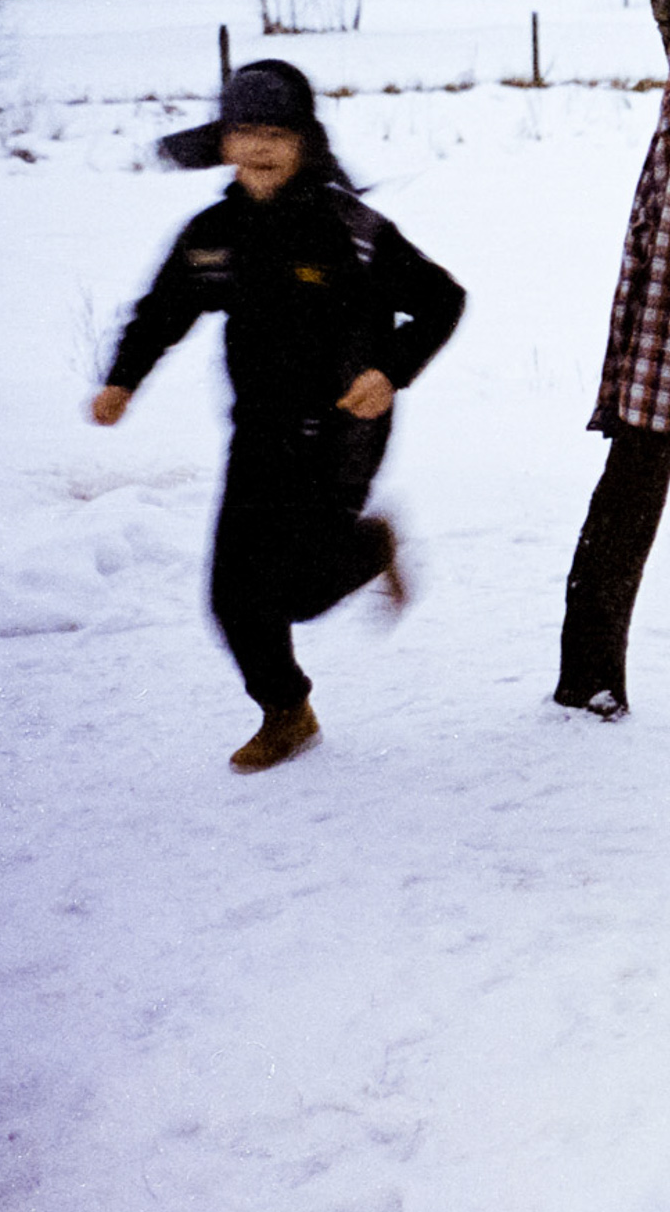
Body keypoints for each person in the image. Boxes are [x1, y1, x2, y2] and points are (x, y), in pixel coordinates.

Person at [92, 60, 466, 773]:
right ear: (224, 140)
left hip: (343, 431)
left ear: (304, 142)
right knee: (232, 598)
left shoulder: (349, 229)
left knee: (296, 590)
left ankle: (371, 545)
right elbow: (163, 311)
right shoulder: (213, 233)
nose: (260, 146)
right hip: (259, 433)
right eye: (246, 131)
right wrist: (122, 378)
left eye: (278, 133)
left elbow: (442, 299)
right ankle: (286, 711)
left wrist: (391, 370)